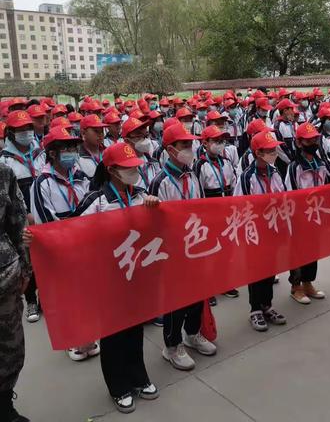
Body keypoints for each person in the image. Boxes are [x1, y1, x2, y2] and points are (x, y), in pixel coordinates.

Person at [74, 143, 159, 413]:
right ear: (111, 171)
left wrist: (155, 207)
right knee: (113, 334)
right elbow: (68, 234)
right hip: (107, 277)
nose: (135, 172)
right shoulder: (95, 201)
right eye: (128, 169)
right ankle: (118, 385)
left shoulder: (142, 195)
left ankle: (138, 376)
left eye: (136, 168)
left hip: (136, 275)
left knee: (135, 329)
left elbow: (164, 224)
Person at [148, 124, 217, 371]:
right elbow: (155, 224)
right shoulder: (160, 182)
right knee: (176, 300)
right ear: (170, 150)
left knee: (196, 295)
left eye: (191, 144)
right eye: (184, 146)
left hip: (195, 244)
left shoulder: (192, 174)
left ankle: (193, 333)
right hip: (173, 250)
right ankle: (171, 345)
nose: (190, 149)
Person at [29, 126, 98, 361]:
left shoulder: (81, 177)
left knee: (87, 293)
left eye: (73, 147)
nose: (72, 152)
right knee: (68, 295)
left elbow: (93, 207)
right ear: (52, 154)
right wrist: (69, 239)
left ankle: (88, 335)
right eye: (65, 148)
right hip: (61, 248)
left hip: (85, 245)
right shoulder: (42, 184)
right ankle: (73, 340)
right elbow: (46, 221)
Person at [234, 130, 287, 332]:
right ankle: (255, 309)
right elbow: (241, 206)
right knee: (256, 269)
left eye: (275, 149)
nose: (274, 153)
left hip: (273, 228)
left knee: (270, 268)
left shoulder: (275, 173)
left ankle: (267, 304)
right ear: (258, 153)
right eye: (270, 150)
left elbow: (282, 198)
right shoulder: (247, 178)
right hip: (255, 231)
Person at [0, 110, 43, 323]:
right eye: (21, 130)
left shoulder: (40, 152)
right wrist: (26, 214)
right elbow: (10, 196)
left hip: (41, 211)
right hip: (22, 215)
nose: (26, 133)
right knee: (27, 256)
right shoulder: (5, 160)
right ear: (10, 133)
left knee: (44, 256)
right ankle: (31, 300)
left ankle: (45, 296)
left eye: (28, 128)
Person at [285, 123, 330, 304]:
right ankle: (296, 287)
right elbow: (291, 193)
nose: (313, 142)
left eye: (315, 139)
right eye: (309, 140)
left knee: (313, 250)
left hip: (317, 213)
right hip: (300, 216)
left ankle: (308, 283)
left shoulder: (320, 162)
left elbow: (327, 184)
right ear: (299, 142)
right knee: (298, 251)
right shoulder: (295, 166)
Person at [194, 125, 239, 304]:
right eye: (215, 141)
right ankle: (208, 287)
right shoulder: (200, 165)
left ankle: (224, 282)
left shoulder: (226, 162)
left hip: (226, 212)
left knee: (226, 249)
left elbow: (234, 184)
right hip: (209, 214)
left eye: (222, 141)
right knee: (209, 251)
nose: (220, 145)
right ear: (205, 143)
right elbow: (198, 191)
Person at [0, 164, 31, 422]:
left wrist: (25, 268)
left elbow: (17, 223)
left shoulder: (4, 173)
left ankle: (4, 404)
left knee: (11, 348)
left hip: (4, 278)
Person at [77, 114, 108, 179]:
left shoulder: (108, 152)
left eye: (102, 131)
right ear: (83, 133)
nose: (100, 134)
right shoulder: (77, 156)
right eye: (96, 131)